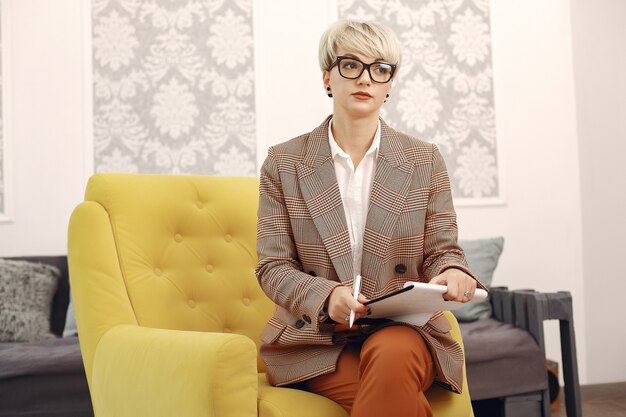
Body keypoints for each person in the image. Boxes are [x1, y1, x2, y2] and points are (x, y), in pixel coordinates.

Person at [256, 20, 485, 417]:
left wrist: (452, 272)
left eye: (380, 69)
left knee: (393, 351)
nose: (365, 78)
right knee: (394, 392)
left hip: (407, 331)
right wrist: (327, 297)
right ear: (328, 77)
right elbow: (272, 267)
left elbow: (442, 251)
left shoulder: (423, 160)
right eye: (351, 65)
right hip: (317, 339)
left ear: (389, 84)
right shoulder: (284, 162)